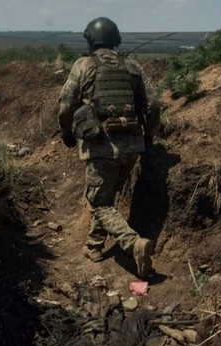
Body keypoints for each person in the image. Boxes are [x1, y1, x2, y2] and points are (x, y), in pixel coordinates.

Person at [58, 16, 161, 280]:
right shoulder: (133, 66)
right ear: (115, 40)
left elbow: (66, 105)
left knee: (99, 202)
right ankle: (94, 246)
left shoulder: (84, 65)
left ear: (91, 41)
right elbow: (153, 104)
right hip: (132, 147)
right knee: (106, 198)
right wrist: (148, 137)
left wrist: (67, 134)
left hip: (101, 147)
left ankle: (133, 244)